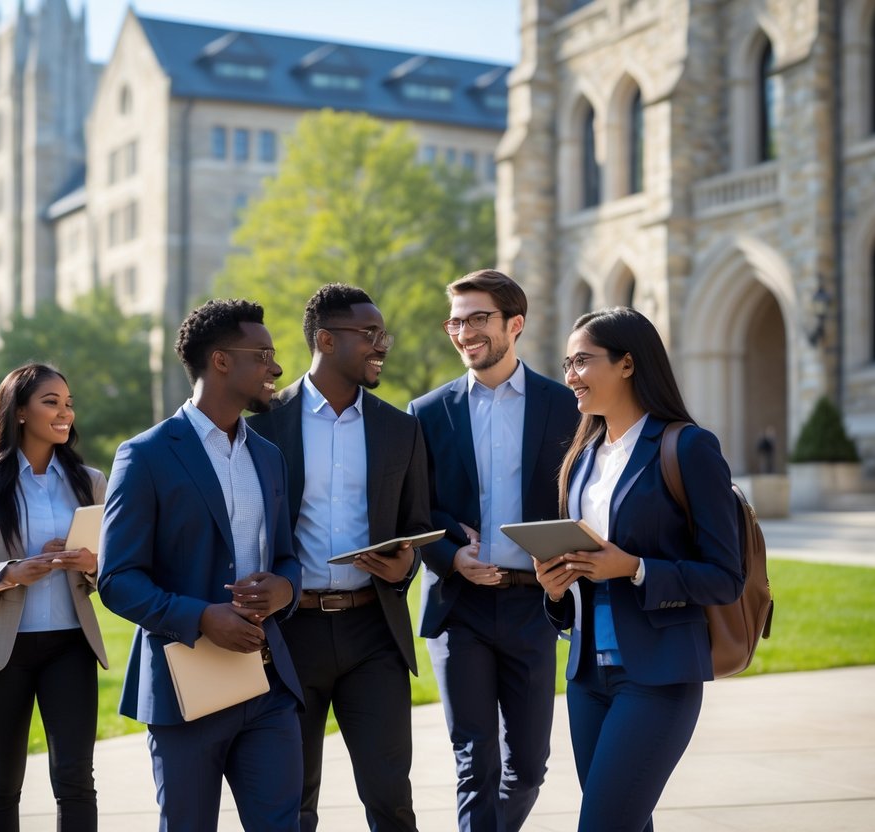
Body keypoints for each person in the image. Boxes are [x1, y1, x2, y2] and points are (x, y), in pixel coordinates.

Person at [534, 307, 744, 832]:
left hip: (658, 675)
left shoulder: (688, 447)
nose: (570, 376)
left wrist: (636, 569)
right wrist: (554, 589)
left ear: (628, 364)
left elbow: (725, 576)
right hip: (587, 677)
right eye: (566, 362)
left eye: (582, 361)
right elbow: (581, 577)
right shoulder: (581, 459)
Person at [99, 299, 305, 831]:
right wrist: (200, 617)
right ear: (220, 361)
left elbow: (286, 557)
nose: (276, 368)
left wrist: (284, 588)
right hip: (184, 689)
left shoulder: (269, 456)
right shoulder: (144, 455)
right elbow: (117, 578)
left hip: (267, 686)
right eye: (263, 354)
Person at [247, 284, 431, 832]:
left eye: (382, 334)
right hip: (288, 633)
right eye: (369, 335)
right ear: (326, 339)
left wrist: (406, 567)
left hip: (373, 632)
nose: (382, 345)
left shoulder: (401, 429)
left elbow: (417, 526)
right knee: (291, 801)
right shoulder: (263, 423)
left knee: (391, 798)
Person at [408, 269, 579, 830]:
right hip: (461, 610)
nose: (463, 332)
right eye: (455, 321)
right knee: (474, 762)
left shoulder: (566, 407)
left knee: (528, 766)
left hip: (535, 604)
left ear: (515, 324)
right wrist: (451, 556)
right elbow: (414, 511)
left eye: (477, 318)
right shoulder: (427, 412)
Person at [0, 363, 108, 831]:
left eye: (68, 403)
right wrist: (12, 572)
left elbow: (113, 570)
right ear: (19, 411)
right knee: (2, 784)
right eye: (51, 402)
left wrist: (91, 564)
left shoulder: (89, 481)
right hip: (1, 650)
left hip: (70, 646)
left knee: (76, 780)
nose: (64, 413)